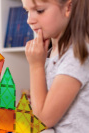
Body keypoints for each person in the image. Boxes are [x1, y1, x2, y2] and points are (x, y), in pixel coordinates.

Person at [22, 0, 89, 132]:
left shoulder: (76, 56)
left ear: (68, 7)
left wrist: (36, 66)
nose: (29, 20)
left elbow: (42, 120)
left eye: (39, 11)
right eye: (27, 11)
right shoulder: (49, 54)